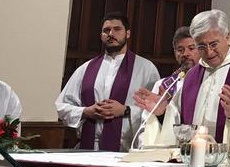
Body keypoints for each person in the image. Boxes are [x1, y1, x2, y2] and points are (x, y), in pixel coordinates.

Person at [141, 9, 230, 146]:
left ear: (227, 37)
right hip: (193, 160)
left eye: (213, 44)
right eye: (201, 46)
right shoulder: (192, 75)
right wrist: (162, 113)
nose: (209, 52)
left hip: (229, 163)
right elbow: (180, 122)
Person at [56, 12, 159, 151]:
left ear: (127, 33)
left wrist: (126, 110)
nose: (111, 33)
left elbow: (156, 111)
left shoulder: (146, 68)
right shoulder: (86, 69)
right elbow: (62, 106)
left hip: (126, 149)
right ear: (101, 36)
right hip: (88, 148)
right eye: (106, 30)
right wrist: (86, 111)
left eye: (117, 29)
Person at [133, 26, 201, 111]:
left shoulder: (209, 81)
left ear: (200, 49)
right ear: (175, 53)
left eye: (191, 48)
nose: (185, 54)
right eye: (180, 50)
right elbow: (150, 121)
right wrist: (161, 113)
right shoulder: (163, 85)